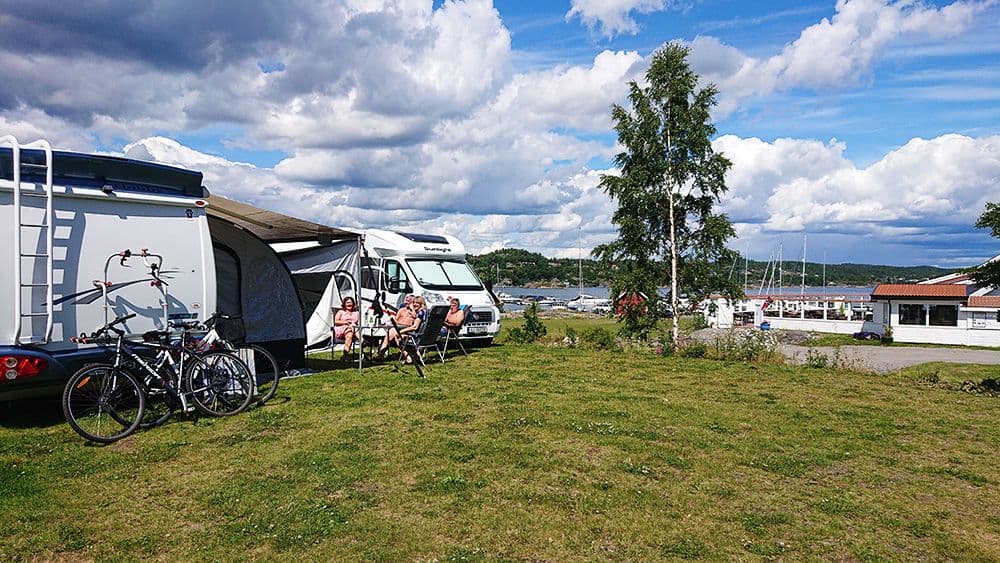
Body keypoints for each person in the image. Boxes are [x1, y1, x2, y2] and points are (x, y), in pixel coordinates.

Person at [378, 296, 424, 363]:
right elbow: (395, 320)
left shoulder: (417, 311)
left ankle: (381, 354)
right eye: (406, 300)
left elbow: (414, 323)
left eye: (408, 301)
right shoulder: (402, 310)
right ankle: (382, 353)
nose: (406, 302)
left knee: (393, 333)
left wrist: (412, 309)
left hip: (407, 330)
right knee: (392, 332)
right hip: (398, 327)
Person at [333, 297, 360, 361]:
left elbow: (360, 322)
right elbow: (336, 321)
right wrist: (346, 322)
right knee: (351, 327)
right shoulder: (341, 312)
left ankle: (345, 355)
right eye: (348, 302)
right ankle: (361, 340)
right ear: (344, 304)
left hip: (352, 331)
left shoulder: (356, 313)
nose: (349, 304)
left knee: (350, 334)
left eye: (351, 302)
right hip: (341, 329)